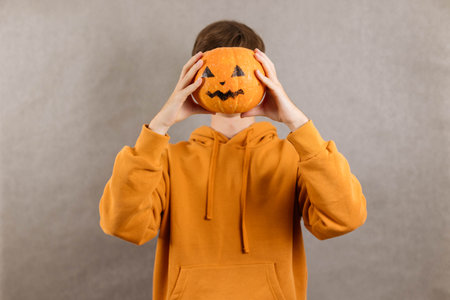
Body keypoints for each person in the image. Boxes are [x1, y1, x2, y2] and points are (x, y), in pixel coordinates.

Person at [99, 19, 367, 300]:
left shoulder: (295, 157)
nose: (226, 81)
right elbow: (120, 224)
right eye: (214, 72)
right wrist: (158, 128)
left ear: (263, 75)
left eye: (239, 71)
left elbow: (344, 218)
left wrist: (297, 123)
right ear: (193, 78)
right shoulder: (165, 160)